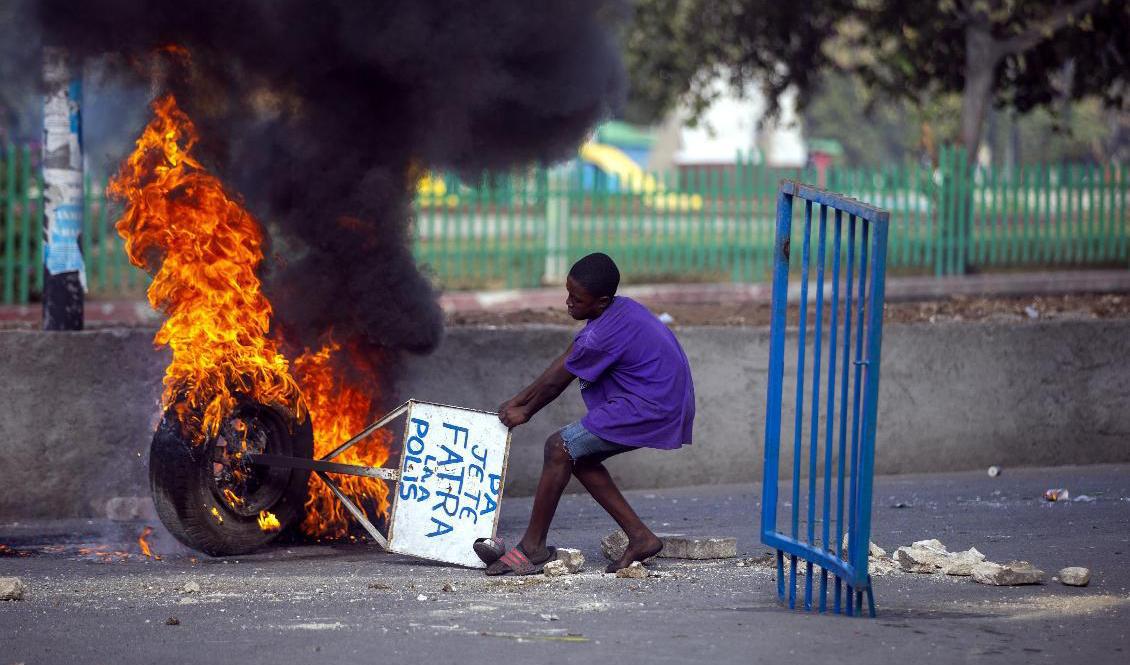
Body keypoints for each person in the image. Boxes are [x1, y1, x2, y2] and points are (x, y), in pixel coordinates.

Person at [486, 252, 695, 575]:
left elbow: (556, 382)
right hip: (660, 398)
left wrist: (524, 411)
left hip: (651, 404)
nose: (568, 302)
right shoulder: (617, 311)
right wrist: (519, 402)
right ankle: (641, 538)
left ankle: (533, 547)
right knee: (580, 458)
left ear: (602, 301)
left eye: (577, 298)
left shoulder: (602, 334)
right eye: (568, 293)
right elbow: (569, 358)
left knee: (559, 447)